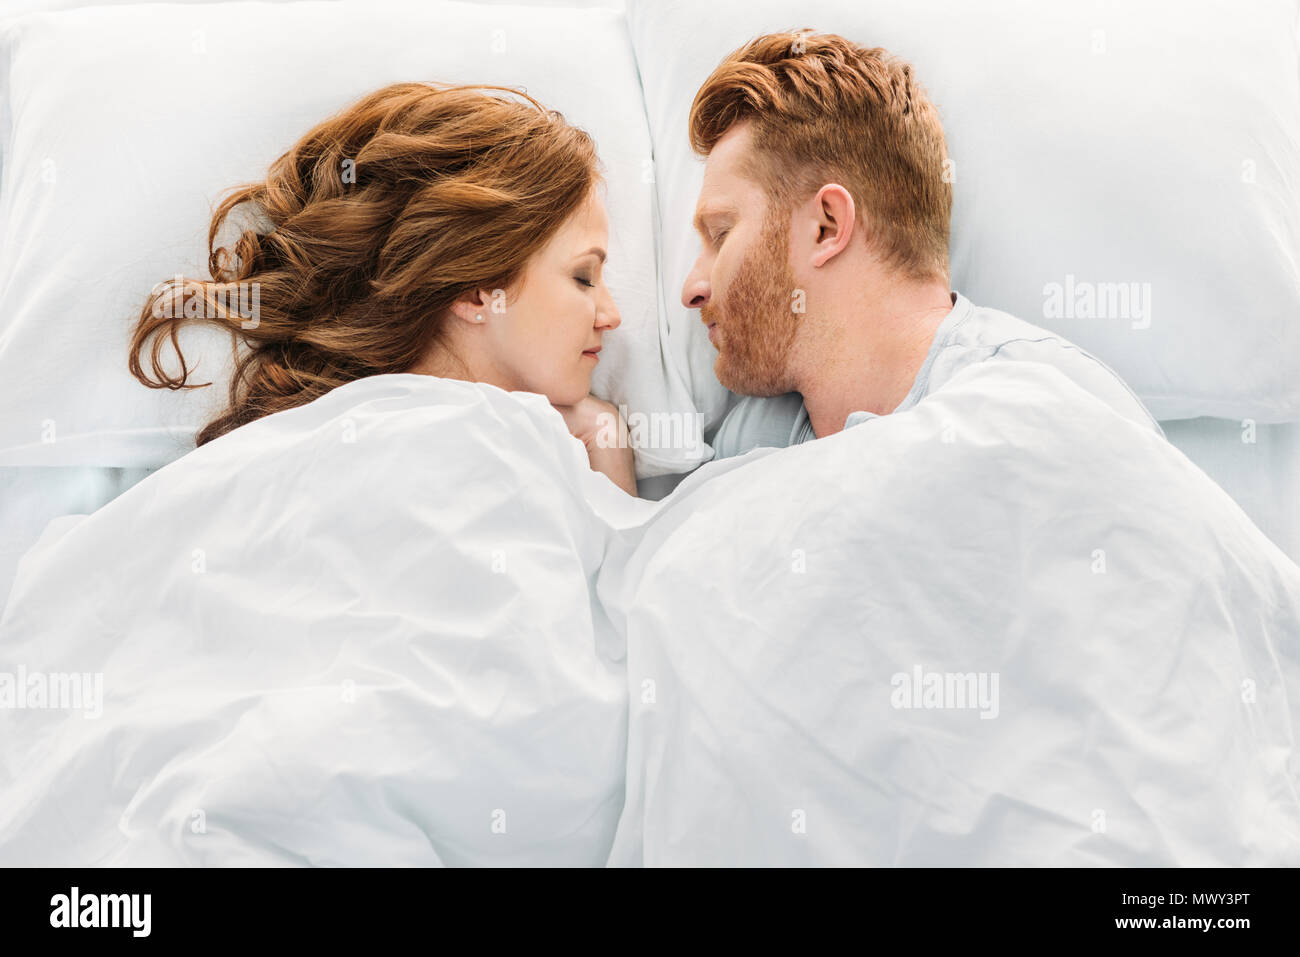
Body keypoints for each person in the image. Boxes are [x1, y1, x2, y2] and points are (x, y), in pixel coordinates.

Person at [129, 81, 638, 495]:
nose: (610, 314)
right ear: (476, 291)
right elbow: (624, 614)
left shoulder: (291, 451)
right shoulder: (493, 442)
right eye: (583, 277)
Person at [680, 31, 1161, 460]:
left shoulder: (1056, 412)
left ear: (826, 227)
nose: (691, 289)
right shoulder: (751, 443)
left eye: (721, 234)